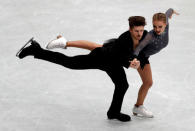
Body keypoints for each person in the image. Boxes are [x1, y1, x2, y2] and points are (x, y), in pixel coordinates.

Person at [45, 8, 179, 118]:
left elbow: (167, 13)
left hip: (134, 54)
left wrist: (171, 11)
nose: (157, 29)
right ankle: (64, 42)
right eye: (155, 26)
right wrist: (133, 61)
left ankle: (64, 42)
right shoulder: (149, 36)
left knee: (97, 47)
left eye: (160, 27)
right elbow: (138, 50)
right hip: (136, 55)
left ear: (165, 24)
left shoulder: (165, 24)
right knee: (99, 51)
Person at [16, 16, 147, 122]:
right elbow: (116, 56)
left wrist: (137, 60)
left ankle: (113, 112)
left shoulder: (145, 35)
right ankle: (36, 50)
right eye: (136, 31)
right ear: (130, 29)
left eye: (141, 30)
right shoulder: (123, 39)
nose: (139, 34)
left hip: (113, 64)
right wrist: (129, 63)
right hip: (102, 57)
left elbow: (143, 48)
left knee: (123, 85)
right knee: (70, 62)